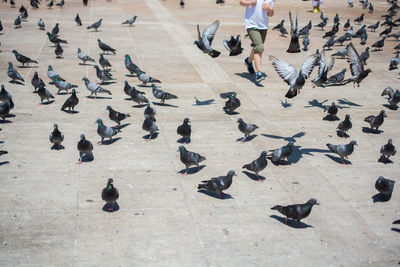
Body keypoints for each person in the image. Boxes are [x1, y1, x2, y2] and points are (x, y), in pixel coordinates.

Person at [240, 0, 274, 83]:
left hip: (263, 27)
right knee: (259, 47)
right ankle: (258, 72)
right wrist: (250, 3)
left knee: (257, 47)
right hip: (251, 25)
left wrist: (270, 9)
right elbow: (241, 2)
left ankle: (248, 61)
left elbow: (271, 14)